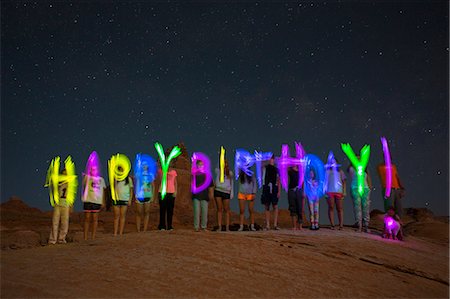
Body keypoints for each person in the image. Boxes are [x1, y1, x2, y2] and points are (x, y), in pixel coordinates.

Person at [48, 169, 73, 244]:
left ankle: (61, 239)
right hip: (58, 204)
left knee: (64, 223)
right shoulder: (58, 183)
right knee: (55, 222)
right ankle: (52, 239)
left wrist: (71, 206)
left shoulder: (70, 183)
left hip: (66, 204)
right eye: (63, 174)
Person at [82, 166, 106, 240]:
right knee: (87, 218)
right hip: (88, 200)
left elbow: (103, 191)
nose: (93, 171)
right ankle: (85, 237)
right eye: (92, 170)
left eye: (95, 170)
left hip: (96, 201)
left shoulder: (101, 180)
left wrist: (103, 201)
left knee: (95, 219)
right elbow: (84, 185)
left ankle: (93, 236)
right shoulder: (87, 178)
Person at [348, 164, 372, 233]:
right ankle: (359, 226)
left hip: (365, 189)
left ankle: (366, 226)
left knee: (366, 207)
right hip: (355, 188)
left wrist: (369, 188)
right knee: (357, 207)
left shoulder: (365, 170)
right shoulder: (352, 169)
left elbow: (368, 179)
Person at [192, 160, 215, 232]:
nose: (200, 166)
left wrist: (211, 194)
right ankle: (196, 227)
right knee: (196, 211)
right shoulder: (194, 175)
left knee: (204, 212)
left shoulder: (208, 176)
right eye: (199, 165)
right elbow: (192, 185)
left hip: (205, 196)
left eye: (202, 165)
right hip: (196, 196)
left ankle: (204, 227)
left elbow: (211, 186)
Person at [325, 158, 347, 230]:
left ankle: (341, 225)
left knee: (339, 208)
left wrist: (344, 191)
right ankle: (332, 225)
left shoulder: (340, 172)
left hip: (338, 192)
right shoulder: (327, 172)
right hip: (330, 191)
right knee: (331, 207)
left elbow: (344, 182)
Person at [261, 155, 281, 230]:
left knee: (275, 206)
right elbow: (261, 165)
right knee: (267, 206)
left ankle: (275, 224)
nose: (271, 160)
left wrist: (279, 191)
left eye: (272, 159)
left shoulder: (277, 170)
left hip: (274, 188)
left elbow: (279, 181)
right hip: (266, 187)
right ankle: (267, 225)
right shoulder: (265, 168)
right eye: (270, 159)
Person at [134, 163, 155, 232]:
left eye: (146, 165)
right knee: (138, 212)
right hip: (139, 195)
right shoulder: (138, 174)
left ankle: (144, 230)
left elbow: (153, 186)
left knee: (146, 212)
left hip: (148, 195)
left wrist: (153, 196)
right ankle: (138, 230)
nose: (144, 166)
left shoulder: (150, 175)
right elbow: (136, 184)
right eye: (143, 165)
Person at [112, 167, 133, 236]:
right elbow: (114, 189)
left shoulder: (128, 179)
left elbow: (131, 190)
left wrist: (130, 199)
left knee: (122, 216)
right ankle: (115, 233)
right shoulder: (116, 179)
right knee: (116, 216)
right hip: (117, 199)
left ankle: (120, 233)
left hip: (125, 199)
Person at [214, 160, 234, 231]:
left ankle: (227, 227)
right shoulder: (218, 171)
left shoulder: (230, 173)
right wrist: (220, 157)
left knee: (227, 210)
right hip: (218, 191)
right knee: (219, 209)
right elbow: (216, 166)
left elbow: (232, 183)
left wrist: (231, 193)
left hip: (226, 192)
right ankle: (219, 226)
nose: (224, 165)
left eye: (226, 163)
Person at [287, 165, 304, 230]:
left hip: (299, 190)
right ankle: (294, 226)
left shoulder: (301, 171)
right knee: (292, 208)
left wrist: (303, 191)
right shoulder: (290, 171)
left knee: (300, 208)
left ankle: (300, 226)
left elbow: (302, 182)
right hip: (291, 190)